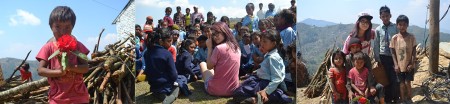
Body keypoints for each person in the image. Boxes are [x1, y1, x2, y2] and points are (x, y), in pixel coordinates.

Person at [36, 6, 90, 103]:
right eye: (58, 27)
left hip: (79, 97)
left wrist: (70, 66)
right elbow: (40, 70)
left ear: (72, 27)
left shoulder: (77, 46)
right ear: (51, 27)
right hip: (56, 98)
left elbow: (85, 68)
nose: (62, 31)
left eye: (67, 27)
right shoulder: (48, 47)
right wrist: (59, 72)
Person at [233, 29, 292, 104]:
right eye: (261, 41)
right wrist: (254, 73)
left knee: (240, 93)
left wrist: (266, 91)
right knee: (238, 92)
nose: (262, 44)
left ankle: (257, 100)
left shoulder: (273, 58)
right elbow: (267, 70)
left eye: (265, 41)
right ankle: (257, 99)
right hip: (261, 80)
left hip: (267, 84)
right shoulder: (268, 55)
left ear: (273, 43)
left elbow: (277, 78)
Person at [199, 22, 241, 96]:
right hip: (233, 90)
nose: (215, 37)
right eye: (213, 35)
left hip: (215, 90)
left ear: (224, 32)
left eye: (217, 33)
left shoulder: (219, 48)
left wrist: (209, 48)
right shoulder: (237, 48)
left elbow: (209, 67)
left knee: (203, 64)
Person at [144, 29, 179, 103]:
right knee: (180, 83)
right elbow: (174, 75)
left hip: (153, 86)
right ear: (160, 41)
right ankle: (169, 98)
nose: (170, 44)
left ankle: (158, 94)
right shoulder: (167, 54)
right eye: (168, 41)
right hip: (165, 86)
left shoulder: (147, 52)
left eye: (171, 41)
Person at [374, 5, 400, 103]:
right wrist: (377, 59)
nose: (385, 18)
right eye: (383, 16)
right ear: (380, 17)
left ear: (390, 16)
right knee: (385, 79)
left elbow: (399, 41)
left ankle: (395, 97)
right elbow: (376, 44)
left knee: (395, 78)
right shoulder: (378, 29)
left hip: (394, 57)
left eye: (387, 16)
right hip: (383, 57)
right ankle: (388, 98)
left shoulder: (395, 27)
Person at [390, 15, 416, 104]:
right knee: (401, 83)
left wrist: (412, 64)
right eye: (400, 24)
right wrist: (396, 65)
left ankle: (409, 98)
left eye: (404, 24)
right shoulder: (395, 38)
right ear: (397, 25)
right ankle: (403, 99)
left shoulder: (411, 37)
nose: (402, 27)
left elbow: (414, 51)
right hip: (399, 66)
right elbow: (392, 52)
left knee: (407, 82)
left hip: (409, 65)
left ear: (407, 25)